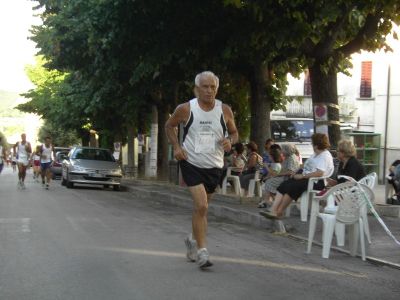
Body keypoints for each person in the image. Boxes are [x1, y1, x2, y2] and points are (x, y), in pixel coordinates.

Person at [165, 71, 238, 269]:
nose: (209, 90)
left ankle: (192, 240)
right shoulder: (186, 108)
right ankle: (203, 252)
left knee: (201, 210)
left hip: (214, 165)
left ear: (217, 88)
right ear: (196, 89)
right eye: (205, 87)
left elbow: (234, 133)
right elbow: (169, 126)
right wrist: (177, 148)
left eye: (212, 87)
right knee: (202, 205)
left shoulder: (224, 110)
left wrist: (230, 141)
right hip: (191, 162)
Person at [260, 133, 334, 219]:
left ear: (316, 145)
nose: (311, 145)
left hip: (315, 181)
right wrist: (296, 171)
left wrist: (302, 176)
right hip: (307, 178)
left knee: (292, 187)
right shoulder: (315, 154)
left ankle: (278, 211)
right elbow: (306, 165)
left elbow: (319, 173)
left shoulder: (324, 156)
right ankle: (273, 209)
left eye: (312, 143)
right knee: (285, 184)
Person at [258, 144, 300, 208]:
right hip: (285, 177)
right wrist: (274, 176)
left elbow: (290, 172)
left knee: (269, 182)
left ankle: (269, 201)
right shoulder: (288, 157)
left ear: (286, 150)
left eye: (282, 150)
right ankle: (272, 201)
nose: (281, 151)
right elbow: (283, 170)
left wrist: (277, 175)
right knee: (269, 181)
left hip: (288, 178)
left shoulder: (291, 158)